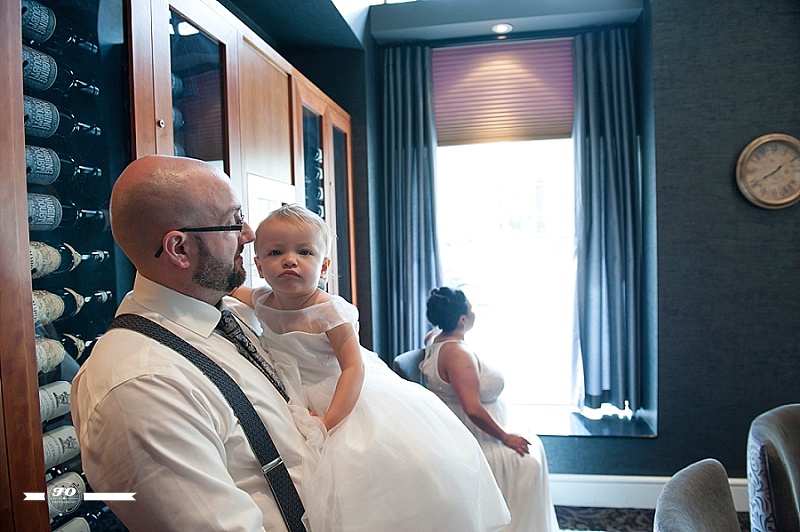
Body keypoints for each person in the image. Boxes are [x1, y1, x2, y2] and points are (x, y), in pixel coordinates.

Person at [71, 155, 316, 531]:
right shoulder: (140, 385)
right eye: (234, 222)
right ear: (179, 249)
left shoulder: (231, 314)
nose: (249, 234)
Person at [231, 204, 511, 532]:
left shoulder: (330, 312)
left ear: (324, 266)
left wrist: (328, 423)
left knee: (375, 465)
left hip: (345, 390)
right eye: (276, 252)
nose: (289, 260)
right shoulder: (262, 300)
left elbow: (353, 368)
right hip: (296, 388)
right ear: (259, 266)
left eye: (304, 252)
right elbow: (228, 289)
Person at [421, 287, 560, 532]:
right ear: (462, 320)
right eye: (471, 309)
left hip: (468, 430)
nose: (474, 312)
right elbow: (472, 409)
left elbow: (433, 337)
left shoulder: (435, 338)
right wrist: (505, 438)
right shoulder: (457, 354)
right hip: (475, 439)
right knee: (530, 460)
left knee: (532, 444)